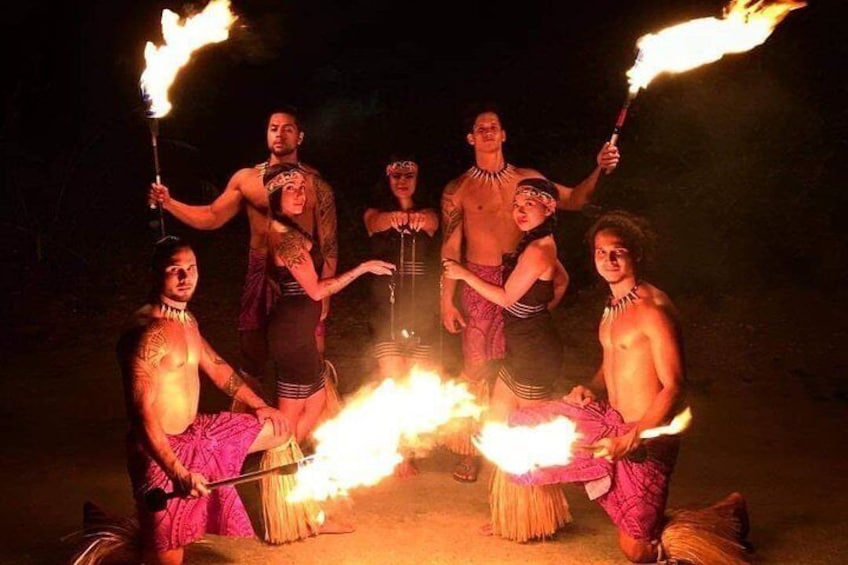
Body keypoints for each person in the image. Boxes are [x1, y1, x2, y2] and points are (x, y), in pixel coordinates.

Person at [503, 210, 750, 563]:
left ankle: (725, 515)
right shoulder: (614, 303)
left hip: (645, 438)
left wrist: (635, 436)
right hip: (610, 421)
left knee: (637, 550)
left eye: (618, 251)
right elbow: (614, 358)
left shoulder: (652, 309)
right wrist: (590, 388)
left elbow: (674, 385)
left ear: (636, 253)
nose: (609, 259)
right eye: (601, 253)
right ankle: (528, 520)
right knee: (525, 421)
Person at [440, 103, 620, 483]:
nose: (488, 130)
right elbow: (451, 249)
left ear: (504, 134)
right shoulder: (457, 189)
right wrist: (446, 298)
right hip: (478, 280)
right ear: (471, 138)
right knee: (475, 368)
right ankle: (470, 449)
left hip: (518, 281)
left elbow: (575, 200)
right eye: (480, 126)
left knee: (519, 373)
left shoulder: (529, 181)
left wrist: (599, 168)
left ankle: (528, 462)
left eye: (495, 125)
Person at [115, 236, 291, 565]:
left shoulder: (186, 321)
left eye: (191, 268)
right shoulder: (145, 336)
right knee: (167, 558)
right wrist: (179, 472)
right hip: (159, 452)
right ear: (155, 275)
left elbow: (216, 366)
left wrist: (259, 405)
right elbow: (142, 419)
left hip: (196, 433)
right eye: (175, 270)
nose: (185, 277)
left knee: (277, 428)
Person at [148, 106, 337, 384]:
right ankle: (257, 416)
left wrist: (325, 296)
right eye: (274, 128)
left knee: (307, 348)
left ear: (300, 137)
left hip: (300, 273)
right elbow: (212, 216)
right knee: (253, 349)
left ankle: (316, 414)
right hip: (260, 270)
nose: (280, 134)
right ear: (266, 135)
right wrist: (169, 202)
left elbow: (329, 244)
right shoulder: (246, 179)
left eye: (288, 128)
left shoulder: (313, 183)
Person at [442, 178, 570, 541]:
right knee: (498, 430)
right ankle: (512, 513)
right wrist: (540, 309)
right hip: (523, 351)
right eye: (517, 202)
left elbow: (503, 297)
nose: (521, 208)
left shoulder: (539, 250)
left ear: (550, 208)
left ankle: (536, 520)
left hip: (535, 356)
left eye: (531, 201)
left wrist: (464, 273)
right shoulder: (539, 245)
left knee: (528, 441)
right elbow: (563, 281)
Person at [266, 163, 395, 444]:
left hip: (300, 333)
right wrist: (363, 268)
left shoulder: (290, 229)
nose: (300, 195)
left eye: (302, 189)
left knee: (316, 401)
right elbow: (315, 290)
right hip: (291, 337)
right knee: (289, 418)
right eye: (290, 189)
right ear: (275, 195)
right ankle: (277, 471)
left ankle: (289, 459)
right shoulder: (285, 237)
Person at [363, 156, 440, 477]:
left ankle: (409, 447)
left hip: (423, 311)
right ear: (387, 179)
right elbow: (374, 223)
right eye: (396, 175)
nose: (403, 180)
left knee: (416, 381)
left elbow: (432, 224)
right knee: (394, 380)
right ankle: (397, 454)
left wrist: (412, 216)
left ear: (419, 178)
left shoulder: (432, 211)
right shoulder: (374, 211)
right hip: (387, 313)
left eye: (409, 174)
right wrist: (395, 217)